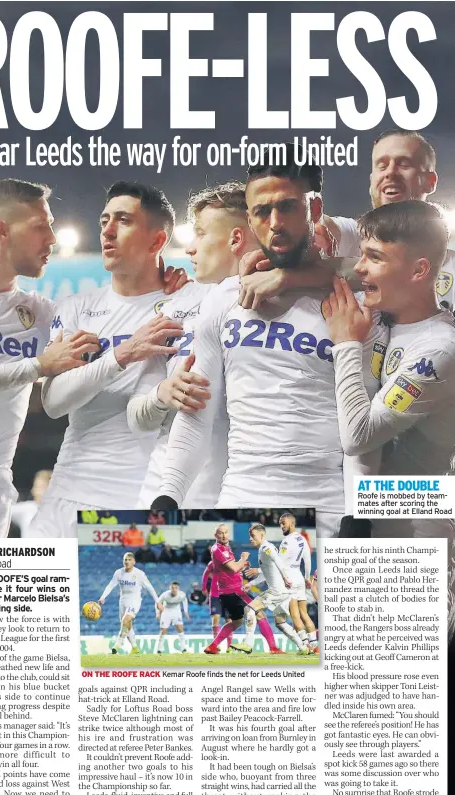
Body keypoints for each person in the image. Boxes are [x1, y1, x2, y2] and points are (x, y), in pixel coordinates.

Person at [155, 148, 388, 536]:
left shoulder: (356, 304)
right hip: (238, 501)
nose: (275, 222)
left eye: (288, 207)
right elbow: (197, 413)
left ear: (315, 211)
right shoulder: (224, 298)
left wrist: (356, 515)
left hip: (326, 509)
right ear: (249, 219)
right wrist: (166, 497)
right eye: (262, 211)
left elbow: (363, 427)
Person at [0, 178, 100, 604]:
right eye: (40, 226)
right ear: (0, 230)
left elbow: (118, 313)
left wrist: (171, 287)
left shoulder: (44, 313)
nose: (50, 238)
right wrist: (36, 366)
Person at [28, 181, 187, 537]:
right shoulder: (77, 308)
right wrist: (121, 354)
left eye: (124, 220)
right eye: (104, 221)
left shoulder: (187, 304)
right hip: (67, 493)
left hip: (140, 499)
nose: (108, 231)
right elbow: (53, 402)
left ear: (157, 241)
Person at [324, 200, 455, 544]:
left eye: (375, 257)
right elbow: (328, 270)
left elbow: (359, 437)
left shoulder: (439, 350)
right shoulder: (383, 313)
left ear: (418, 271)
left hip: (412, 541)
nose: (360, 269)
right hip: (363, 526)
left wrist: (347, 346)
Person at [130, 182, 258, 507]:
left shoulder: (282, 309)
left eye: (200, 233)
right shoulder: (174, 308)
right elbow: (135, 417)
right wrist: (162, 395)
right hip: (159, 498)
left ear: (236, 239)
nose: (190, 248)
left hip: (235, 502)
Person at [324, 130, 454, 311]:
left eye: (404, 164)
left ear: (430, 181)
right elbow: (313, 225)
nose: (391, 173)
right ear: (372, 181)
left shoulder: (451, 256)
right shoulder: (352, 233)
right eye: (382, 166)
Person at [203, 524, 283, 655]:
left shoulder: (223, 548)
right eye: (220, 533)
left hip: (228, 591)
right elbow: (234, 568)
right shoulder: (219, 549)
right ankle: (273, 648)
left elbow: (230, 569)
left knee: (237, 622)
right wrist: (243, 559)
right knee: (259, 613)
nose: (224, 535)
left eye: (226, 532)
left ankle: (212, 646)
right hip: (234, 591)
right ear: (215, 535)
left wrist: (242, 565)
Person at [242, 524, 311, 655]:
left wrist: (285, 577)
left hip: (277, 591)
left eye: (253, 536)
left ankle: (248, 643)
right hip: (284, 592)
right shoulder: (263, 548)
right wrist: (251, 583)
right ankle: (303, 648)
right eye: (250, 536)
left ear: (262, 535)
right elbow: (268, 572)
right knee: (280, 622)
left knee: (249, 609)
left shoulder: (266, 547)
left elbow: (279, 561)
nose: (250, 539)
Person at [98, 551, 163, 654]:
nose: (127, 561)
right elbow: (111, 585)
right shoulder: (118, 573)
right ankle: (135, 647)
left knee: (126, 619)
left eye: (129, 560)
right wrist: (103, 597)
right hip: (123, 601)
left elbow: (150, 588)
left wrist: (158, 602)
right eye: (125, 560)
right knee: (127, 625)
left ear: (134, 562)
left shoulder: (139, 574)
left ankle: (117, 645)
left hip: (135, 600)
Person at [278, 512, 318, 654]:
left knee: (294, 615)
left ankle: (305, 645)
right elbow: (307, 560)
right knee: (304, 614)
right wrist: (307, 578)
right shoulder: (302, 539)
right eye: (280, 524)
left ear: (292, 523)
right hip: (300, 578)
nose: (281, 526)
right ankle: (315, 645)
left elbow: (280, 563)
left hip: (289, 580)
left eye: (284, 523)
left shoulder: (287, 541)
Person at [10, 469, 52, 538]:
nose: (34, 491)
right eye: (35, 487)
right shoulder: (27, 509)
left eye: (39, 487)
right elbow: (1, 510)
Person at [156, 582, 190, 654]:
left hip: (176, 612)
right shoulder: (165, 595)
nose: (174, 589)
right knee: (163, 631)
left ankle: (183, 648)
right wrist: (158, 613)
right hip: (166, 612)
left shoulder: (182, 595)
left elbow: (185, 601)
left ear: (178, 588)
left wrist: (186, 611)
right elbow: (158, 602)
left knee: (180, 629)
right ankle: (159, 649)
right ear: (170, 588)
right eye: (172, 588)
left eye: (176, 588)